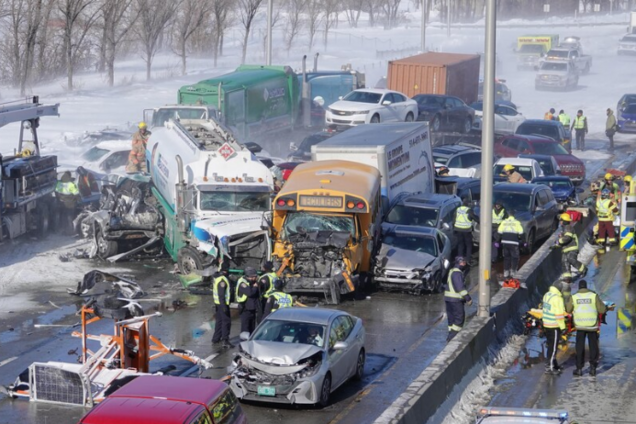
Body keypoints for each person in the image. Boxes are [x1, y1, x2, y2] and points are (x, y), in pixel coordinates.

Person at [565, 280, 607, 377]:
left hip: (580, 325)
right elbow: (602, 309)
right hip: (592, 325)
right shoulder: (593, 296)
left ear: (579, 288)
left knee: (579, 347)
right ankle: (593, 368)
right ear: (586, 287)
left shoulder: (574, 297)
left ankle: (579, 369)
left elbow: (568, 310)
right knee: (593, 346)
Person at [444, 256, 472, 342]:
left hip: (449, 299)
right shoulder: (457, 273)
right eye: (464, 262)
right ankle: (451, 337)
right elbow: (460, 288)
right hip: (455, 300)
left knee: (451, 319)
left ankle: (451, 335)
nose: (465, 264)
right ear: (460, 263)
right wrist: (468, 298)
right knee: (459, 319)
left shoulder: (452, 271)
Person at [551, 213, 588, 277]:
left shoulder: (568, 228)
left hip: (572, 248)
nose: (560, 222)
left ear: (564, 221)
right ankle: (567, 277)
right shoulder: (564, 229)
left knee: (571, 259)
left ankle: (583, 269)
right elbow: (563, 241)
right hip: (565, 250)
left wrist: (558, 241)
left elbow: (567, 238)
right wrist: (556, 245)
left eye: (561, 220)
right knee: (564, 263)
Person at [542, 281, 566, 374]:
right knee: (554, 347)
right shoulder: (558, 299)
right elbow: (559, 315)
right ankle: (549, 367)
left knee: (550, 345)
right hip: (554, 325)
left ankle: (554, 364)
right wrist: (563, 327)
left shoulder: (547, 295)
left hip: (546, 323)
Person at [497, 209, 524, 278]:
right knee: (514, 257)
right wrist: (522, 240)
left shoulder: (504, 222)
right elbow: (521, 232)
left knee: (506, 257)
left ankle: (506, 271)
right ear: (514, 215)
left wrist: (498, 241)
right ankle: (513, 271)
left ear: (508, 215)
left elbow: (499, 232)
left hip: (505, 242)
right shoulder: (517, 222)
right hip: (514, 242)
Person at [211, 262, 233, 349]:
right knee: (226, 322)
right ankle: (225, 340)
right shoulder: (222, 280)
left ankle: (216, 338)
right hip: (222, 304)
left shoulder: (218, 277)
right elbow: (221, 295)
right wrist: (224, 306)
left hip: (218, 304)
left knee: (219, 321)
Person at [236, 267, 260, 335]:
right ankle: (243, 343)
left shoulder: (251, 282)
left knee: (252, 328)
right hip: (245, 308)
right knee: (245, 328)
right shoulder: (242, 283)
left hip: (252, 308)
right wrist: (255, 287)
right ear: (249, 276)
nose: (255, 278)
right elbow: (250, 293)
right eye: (254, 277)